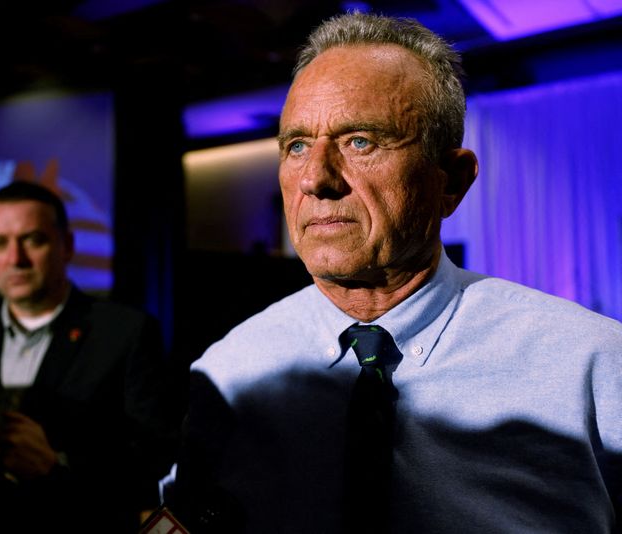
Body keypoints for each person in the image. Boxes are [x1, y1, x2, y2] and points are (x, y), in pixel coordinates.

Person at [166, 12, 622, 533]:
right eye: (296, 145)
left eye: (360, 141)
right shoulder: (230, 370)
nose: (316, 177)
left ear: (450, 180)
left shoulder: (592, 367)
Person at [0, 180, 179, 533]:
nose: (16, 259)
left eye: (33, 240)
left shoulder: (125, 333)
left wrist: (55, 469)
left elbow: (157, 468)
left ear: (67, 246)